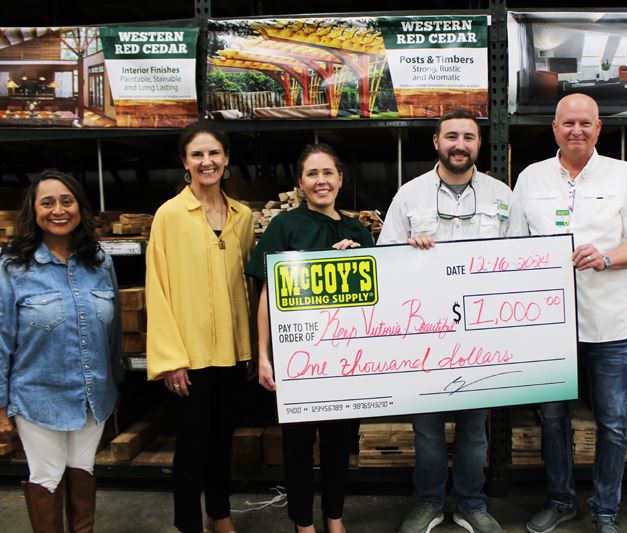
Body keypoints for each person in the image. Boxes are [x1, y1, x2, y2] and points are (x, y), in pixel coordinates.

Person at [509, 94, 627, 533]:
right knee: (554, 419)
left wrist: (608, 258)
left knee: (612, 421)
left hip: (608, 322)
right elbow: (515, 246)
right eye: (568, 123)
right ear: (554, 128)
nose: (576, 130)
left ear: (599, 129)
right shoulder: (532, 178)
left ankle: (605, 511)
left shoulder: (624, 175)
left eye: (585, 123)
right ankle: (560, 501)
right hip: (549, 323)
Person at [378, 108, 509, 533]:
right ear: (436, 142)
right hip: (425, 336)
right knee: (428, 429)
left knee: (474, 429)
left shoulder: (501, 196)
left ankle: (472, 503)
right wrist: (408, 255)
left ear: (478, 144)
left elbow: (523, 260)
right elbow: (385, 261)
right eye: (451, 136)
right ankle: (429, 502)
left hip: (480, 333)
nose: (460, 144)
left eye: (468, 137)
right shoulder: (410, 195)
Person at [245, 143, 373, 533]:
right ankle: (303, 523)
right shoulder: (285, 226)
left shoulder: (359, 231)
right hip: (297, 359)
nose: (321, 181)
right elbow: (267, 294)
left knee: (338, 446)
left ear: (340, 179)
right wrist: (264, 356)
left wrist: (355, 260)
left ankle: (335, 517)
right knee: (298, 448)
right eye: (312, 174)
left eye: (328, 173)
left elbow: (381, 300)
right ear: (300, 183)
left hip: (344, 359)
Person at [146, 121, 254, 533]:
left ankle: (219, 514)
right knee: (191, 449)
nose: (206, 162)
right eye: (197, 155)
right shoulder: (170, 215)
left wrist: (248, 347)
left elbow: (246, 286)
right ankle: (188, 524)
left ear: (226, 160)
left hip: (230, 351)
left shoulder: (241, 216)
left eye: (214, 153)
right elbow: (157, 286)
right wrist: (171, 359)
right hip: (189, 356)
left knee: (222, 443)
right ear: (185, 162)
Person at [0, 169, 122, 533]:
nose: (58, 210)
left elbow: (112, 333)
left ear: (79, 208)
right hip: (39, 398)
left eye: (67, 201)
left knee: (83, 471)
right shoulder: (13, 268)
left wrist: (114, 385)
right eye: (47, 202)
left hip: (93, 396)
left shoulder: (100, 262)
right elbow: (1, 338)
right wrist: (1, 404)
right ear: (33, 211)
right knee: (47, 476)